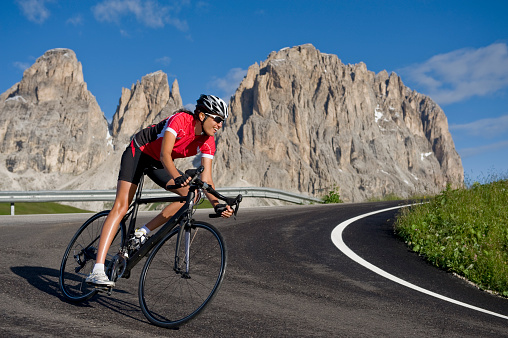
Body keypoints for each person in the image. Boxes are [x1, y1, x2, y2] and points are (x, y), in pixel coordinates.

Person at [86, 94, 233, 287]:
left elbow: (207, 179)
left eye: (223, 121)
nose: (220, 124)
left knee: (192, 195)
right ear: (203, 115)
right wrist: (176, 176)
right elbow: (165, 154)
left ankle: (142, 232)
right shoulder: (180, 120)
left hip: (158, 163)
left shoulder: (208, 141)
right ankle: (97, 270)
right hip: (139, 152)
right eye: (218, 119)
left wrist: (217, 204)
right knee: (121, 207)